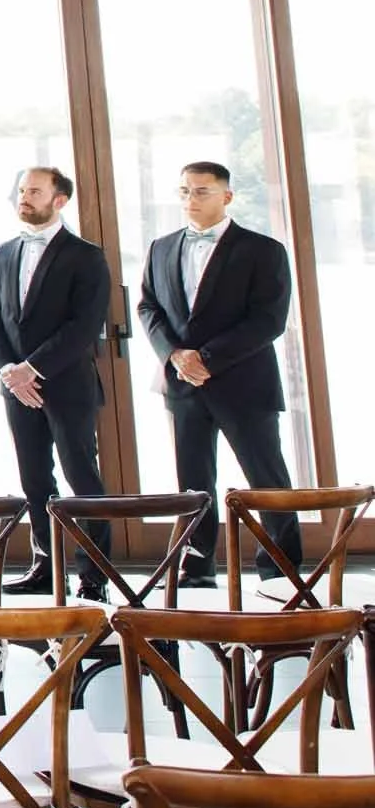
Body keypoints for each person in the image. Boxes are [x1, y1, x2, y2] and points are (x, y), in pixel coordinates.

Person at [136, 160, 305, 586]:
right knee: (194, 484)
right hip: (183, 387)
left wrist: (206, 359)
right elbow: (148, 308)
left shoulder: (263, 250)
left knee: (267, 480)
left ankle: (281, 573)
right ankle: (196, 572)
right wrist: (175, 355)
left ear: (226, 196)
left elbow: (268, 320)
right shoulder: (161, 247)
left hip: (244, 385)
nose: (191, 199)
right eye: (184, 191)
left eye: (201, 191)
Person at [0, 166, 111, 596]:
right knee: (34, 478)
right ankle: (45, 567)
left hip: (67, 383)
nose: (24, 197)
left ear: (59, 200)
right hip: (17, 388)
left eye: (34, 191)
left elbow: (84, 325)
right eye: (21, 190)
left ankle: (94, 576)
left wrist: (31, 368)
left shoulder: (86, 255)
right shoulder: (2, 252)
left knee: (82, 479)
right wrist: (7, 371)